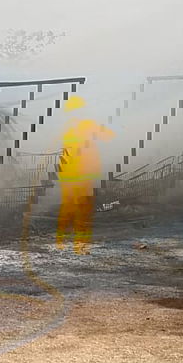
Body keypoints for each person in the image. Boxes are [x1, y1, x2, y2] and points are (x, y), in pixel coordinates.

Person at [56, 95, 115, 254]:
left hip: (66, 175)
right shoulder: (87, 125)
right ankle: (80, 245)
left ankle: (60, 241)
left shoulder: (65, 127)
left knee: (67, 206)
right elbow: (109, 136)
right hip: (83, 175)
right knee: (84, 209)